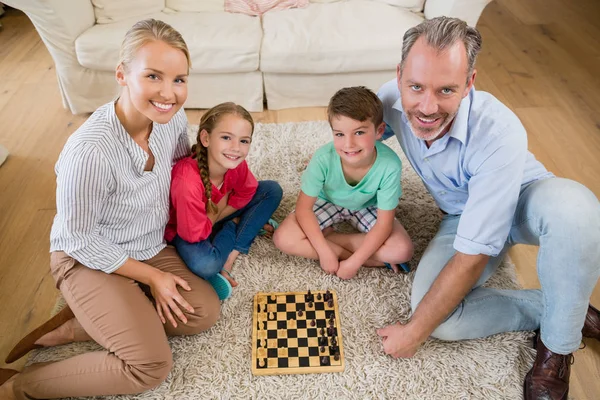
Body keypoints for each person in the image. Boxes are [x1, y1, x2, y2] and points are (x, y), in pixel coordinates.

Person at [375, 17, 600, 400]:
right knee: (443, 320)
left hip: (524, 199)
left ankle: (556, 349)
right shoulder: (389, 101)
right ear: (399, 77)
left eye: (446, 89)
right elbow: (354, 141)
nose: (427, 107)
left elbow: (473, 255)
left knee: (576, 211)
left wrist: (413, 334)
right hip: (464, 213)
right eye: (416, 87)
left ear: (470, 83)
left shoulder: (499, 130)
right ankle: (565, 309)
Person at [0, 19, 222, 399]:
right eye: (153, 76)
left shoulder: (171, 122)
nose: (169, 93)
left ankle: (81, 325)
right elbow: (79, 239)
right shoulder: (89, 151)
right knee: (150, 365)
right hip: (86, 256)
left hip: (147, 243)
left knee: (203, 311)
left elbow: (183, 181)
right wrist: (153, 279)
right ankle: (17, 386)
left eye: (179, 79)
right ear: (122, 74)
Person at [274, 86, 413, 280]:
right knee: (283, 238)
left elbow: (384, 225)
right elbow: (303, 210)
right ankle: (362, 256)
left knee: (402, 250)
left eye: (359, 133)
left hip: (368, 206)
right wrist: (325, 252)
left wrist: (354, 263)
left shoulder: (390, 165)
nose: (348, 144)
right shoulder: (323, 158)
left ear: (379, 131)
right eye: (339, 134)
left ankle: (332, 237)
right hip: (328, 201)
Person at [165, 102, 283, 300]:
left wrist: (219, 210)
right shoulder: (187, 181)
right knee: (206, 265)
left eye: (244, 141)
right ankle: (235, 226)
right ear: (205, 138)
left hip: (214, 216)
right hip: (187, 229)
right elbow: (193, 234)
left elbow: (247, 192)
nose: (236, 148)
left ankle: (232, 251)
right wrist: (221, 212)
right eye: (226, 137)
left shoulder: (236, 163)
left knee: (271, 190)